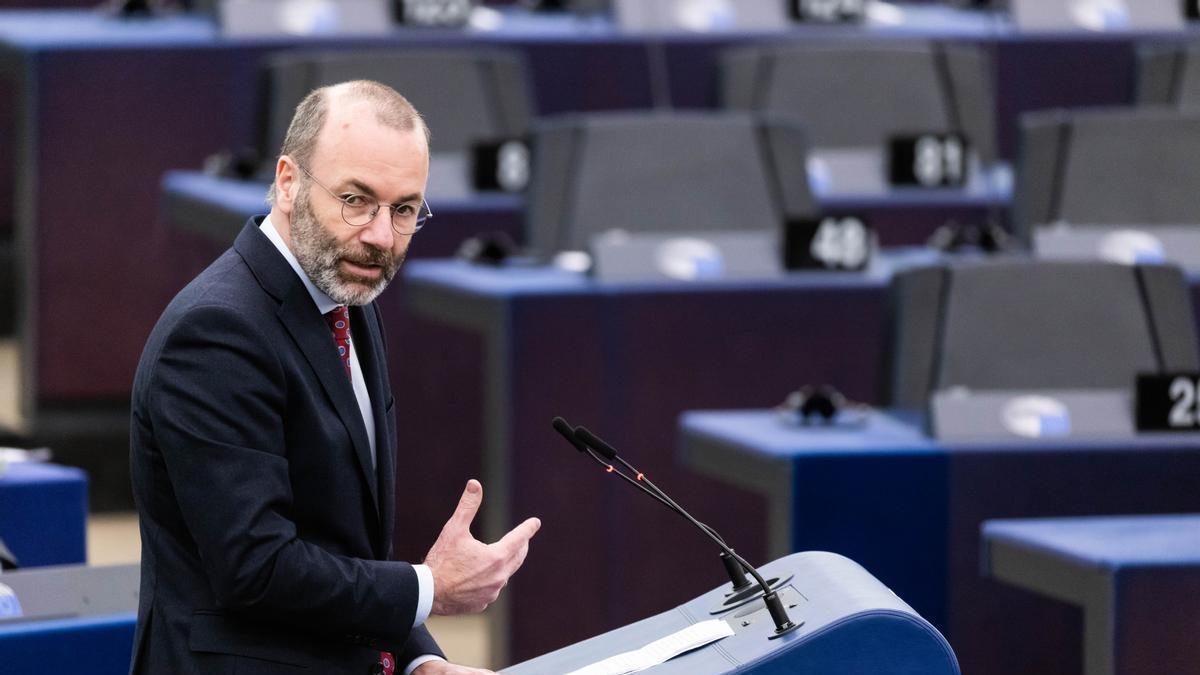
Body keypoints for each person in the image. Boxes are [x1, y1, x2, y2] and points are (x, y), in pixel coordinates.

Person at [128, 80, 540, 674]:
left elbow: (342, 544)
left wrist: (420, 659)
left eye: (403, 210)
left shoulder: (348, 301)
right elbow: (258, 568)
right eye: (355, 199)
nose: (379, 236)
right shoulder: (216, 333)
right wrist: (429, 589)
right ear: (290, 181)